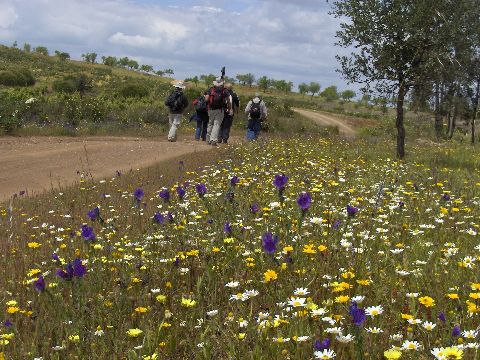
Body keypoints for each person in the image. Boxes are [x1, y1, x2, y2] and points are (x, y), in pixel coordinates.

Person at [206, 77, 231, 146]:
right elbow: (228, 101)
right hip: (220, 110)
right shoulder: (224, 90)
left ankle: (208, 139)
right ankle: (213, 140)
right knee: (216, 124)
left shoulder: (211, 89)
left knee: (210, 123)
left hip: (211, 109)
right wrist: (229, 108)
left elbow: (206, 99)